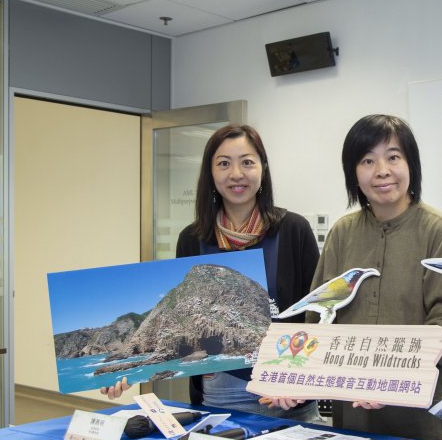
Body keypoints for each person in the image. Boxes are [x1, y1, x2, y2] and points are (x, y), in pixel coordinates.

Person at [102, 124, 321, 423]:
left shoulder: (293, 230)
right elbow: (183, 322)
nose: (236, 174)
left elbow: (316, 315)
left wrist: (303, 378)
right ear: (210, 173)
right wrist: (130, 368)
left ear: (263, 168)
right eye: (223, 164)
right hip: (219, 394)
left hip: (288, 396)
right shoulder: (192, 238)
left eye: (247, 162)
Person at [273, 114, 442, 440]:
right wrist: (296, 375)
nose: (382, 171)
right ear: (354, 173)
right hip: (352, 411)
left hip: (420, 409)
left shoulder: (440, 231)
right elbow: (318, 316)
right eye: (367, 160)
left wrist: (391, 377)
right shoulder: (342, 233)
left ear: (411, 164)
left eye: (393, 157)